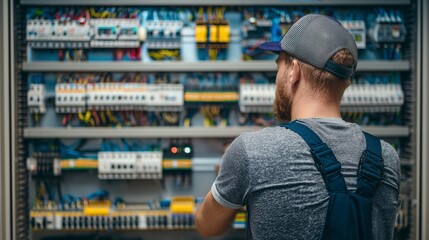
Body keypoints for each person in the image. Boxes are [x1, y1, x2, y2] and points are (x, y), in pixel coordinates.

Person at [195, 14, 400, 240]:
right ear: (346, 81)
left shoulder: (252, 150)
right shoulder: (386, 157)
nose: (276, 78)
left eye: (279, 66)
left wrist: (233, 176)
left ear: (293, 71)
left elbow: (207, 226)